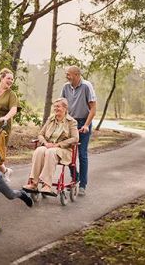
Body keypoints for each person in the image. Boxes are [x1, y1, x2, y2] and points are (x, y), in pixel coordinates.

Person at [23, 98, 78, 195]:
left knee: (50, 152)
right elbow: (40, 134)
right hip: (49, 146)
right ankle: (34, 183)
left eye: (58, 106)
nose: (56, 108)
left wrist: (58, 145)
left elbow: (75, 138)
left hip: (63, 150)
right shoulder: (51, 119)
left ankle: (47, 185)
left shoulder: (71, 122)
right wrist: (45, 143)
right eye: (55, 106)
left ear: (65, 108)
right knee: (39, 150)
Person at [61, 65, 97, 196]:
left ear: (76, 75)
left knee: (81, 154)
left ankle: (82, 184)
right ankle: (75, 177)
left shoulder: (87, 86)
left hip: (83, 123)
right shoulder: (66, 87)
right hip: (70, 123)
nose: (67, 76)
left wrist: (87, 125)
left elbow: (93, 109)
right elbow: (62, 105)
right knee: (68, 153)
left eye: (68, 74)